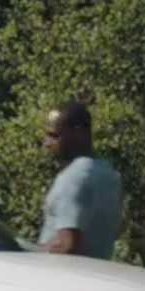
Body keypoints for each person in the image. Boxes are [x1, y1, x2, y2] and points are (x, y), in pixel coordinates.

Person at [39, 100, 123, 259]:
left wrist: (29, 254)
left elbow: (67, 246)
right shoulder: (108, 173)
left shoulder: (74, 178)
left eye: (54, 135)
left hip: (60, 278)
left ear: (79, 133)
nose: (47, 143)